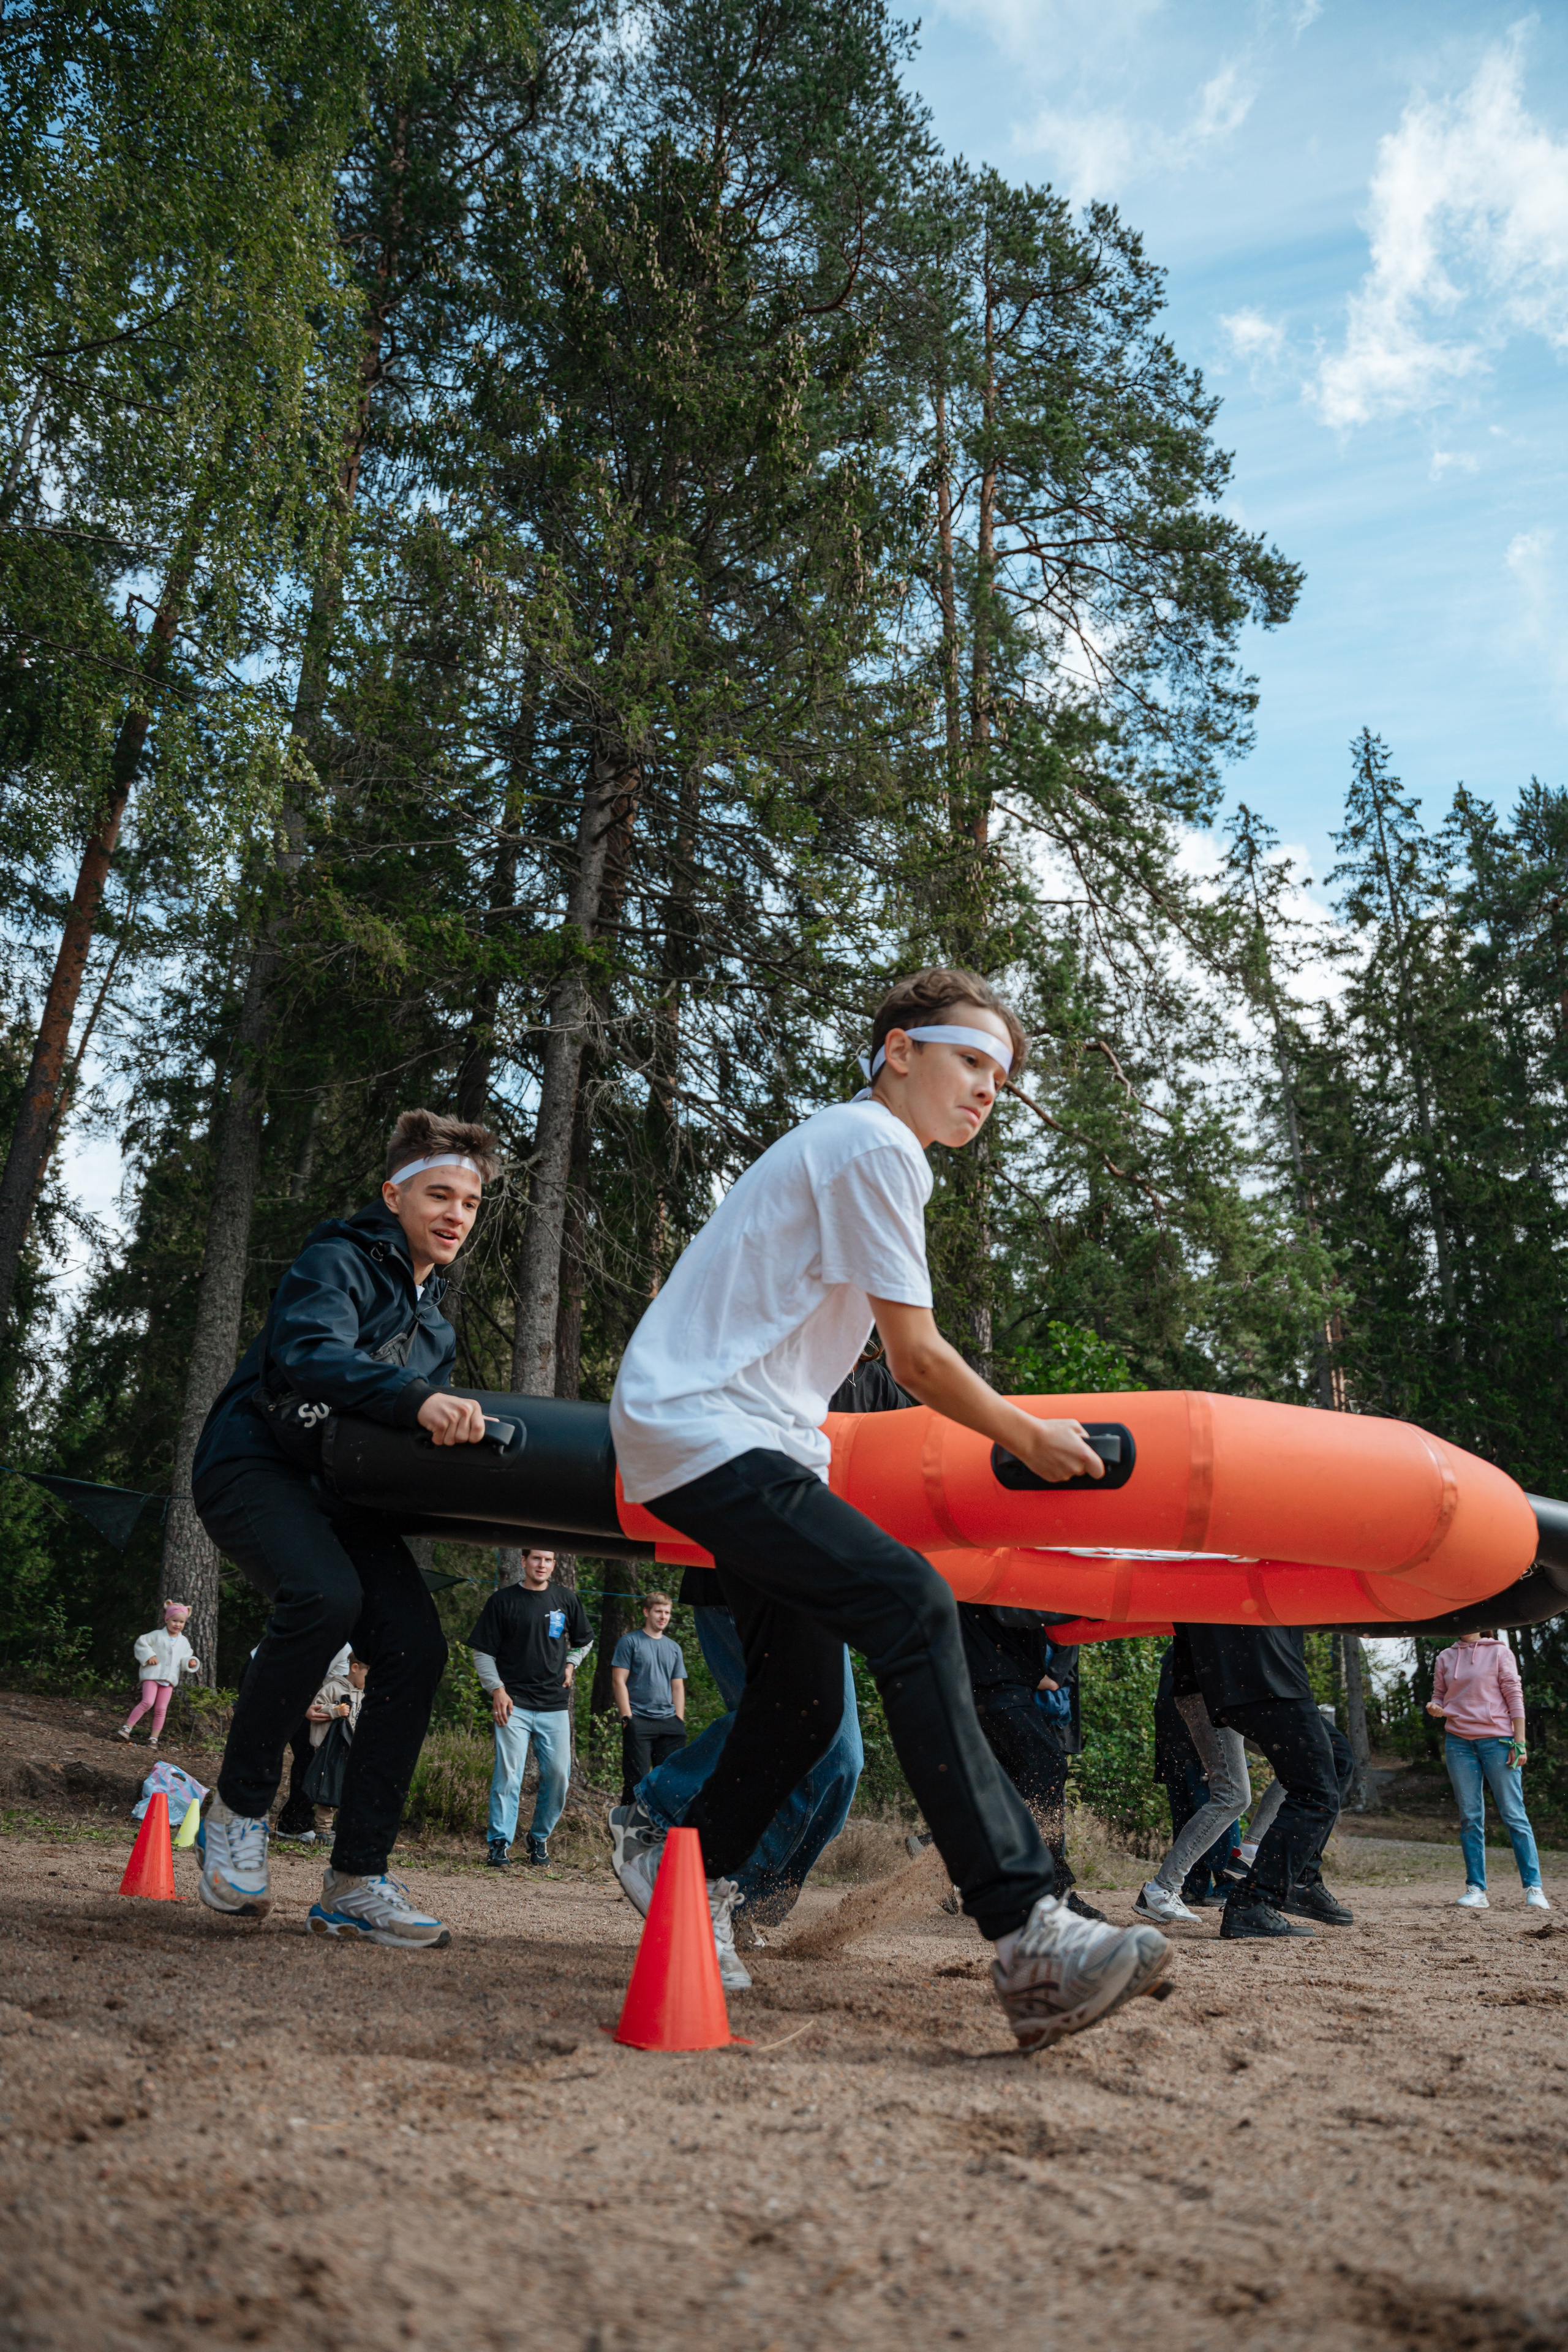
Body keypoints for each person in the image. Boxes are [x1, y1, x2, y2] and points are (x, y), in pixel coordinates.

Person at [607, 966, 1169, 2048]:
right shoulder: (875, 1144)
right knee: (913, 1606)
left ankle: (678, 1861)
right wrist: (1028, 1437)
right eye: (972, 1059)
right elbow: (916, 1358)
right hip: (707, 1427)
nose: (989, 1088)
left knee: (803, 1704)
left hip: (746, 1435)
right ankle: (1028, 1934)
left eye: (1002, 1076)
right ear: (899, 1052)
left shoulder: (857, 1150)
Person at [187, 1107, 500, 1948]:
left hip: (341, 1493)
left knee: (416, 1647)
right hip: (255, 1465)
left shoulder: (435, 1327)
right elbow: (311, 1352)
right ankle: (238, 1810)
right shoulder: (337, 1260)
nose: (456, 1215)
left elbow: (400, 1448)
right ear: (394, 1195)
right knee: (324, 1598)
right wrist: (414, 1398)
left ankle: (357, 1878)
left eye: (470, 1204)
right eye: (439, 1195)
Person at [608, 1358, 903, 1966]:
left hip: (819, 1587)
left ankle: (743, 1897)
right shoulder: (776, 1351)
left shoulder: (878, 1384)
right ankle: (655, 1812)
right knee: (792, 1725)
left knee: (840, 1760)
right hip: (738, 1578)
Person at [1178, 1624, 1351, 1940]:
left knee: (1337, 1760)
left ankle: (1299, 1878)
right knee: (1315, 1790)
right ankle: (1253, 1900)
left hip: (1267, 1673)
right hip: (1262, 1675)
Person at [957, 1604, 1106, 1921]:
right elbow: (1011, 1610)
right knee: (1047, 1765)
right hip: (997, 1684)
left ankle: (947, 1852)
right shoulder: (999, 1580)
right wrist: (1086, 1607)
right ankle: (1050, 1890)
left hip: (992, 1684)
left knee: (1012, 1788)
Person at [467, 1548, 594, 1868]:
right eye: (536, 1558)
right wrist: (497, 1690)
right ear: (523, 1561)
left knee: (559, 1776)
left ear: (555, 1564)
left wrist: (571, 1664)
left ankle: (538, 1838)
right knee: (508, 1776)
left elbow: (585, 1640)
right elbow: (482, 1652)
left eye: (548, 1560)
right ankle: (499, 1844)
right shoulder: (502, 1601)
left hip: (554, 1705)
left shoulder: (566, 1599)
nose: (542, 1564)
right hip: (513, 1704)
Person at [1427, 1629, 1548, 1912]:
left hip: (1498, 1741)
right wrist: (1435, 1707)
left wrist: (1520, 1743)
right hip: (1459, 1743)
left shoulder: (1499, 1652)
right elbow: (1439, 1696)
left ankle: (1534, 1887)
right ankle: (1476, 1889)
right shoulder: (1445, 1657)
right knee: (1470, 1817)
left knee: (1514, 1814)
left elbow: (1514, 1697)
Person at [1136, 1638, 1252, 1926]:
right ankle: (1195, 1888)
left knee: (1221, 1809)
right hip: (1178, 1751)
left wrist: (1209, 1757)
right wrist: (1164, 1759)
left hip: (1203, 1750)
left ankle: (1228, 1886)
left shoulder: (1211, 1644)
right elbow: (1166, 1709)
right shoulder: (1179, 1652)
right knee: (1191, 1818)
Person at [274, 1642, 352, 1846]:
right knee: (281, 1753)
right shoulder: (332, 1641)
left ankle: (295, 1822)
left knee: (311, 1756)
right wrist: (303, 1706)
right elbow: (298, 1672)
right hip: (275, 1686)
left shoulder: (347, 1648)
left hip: (297, 1694)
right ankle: (255, 1819)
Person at [611, 1594, 687, 1803]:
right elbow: (618, 1681)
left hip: (670, 1723)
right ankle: (628, 1822)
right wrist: (627, 1718)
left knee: (670, 1782)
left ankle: (659, 1823)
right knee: (636, 1781)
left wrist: (679, 1720)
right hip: (639, 1720)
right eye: (659, 1611)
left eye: (667, 1612)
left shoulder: (674, 1648)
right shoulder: (629, 1642)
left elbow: (677, 1686)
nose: (663, 1617)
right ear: (647, 1612)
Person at [115, 1600, 200, 1747]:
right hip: (153, 1675)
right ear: (167, 1619)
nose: (177, 1625)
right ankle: (127, 1727)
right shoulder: (156, 1635)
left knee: (161, 1709)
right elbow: (142, 1643)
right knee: (147, 1702)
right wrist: (149, 1655)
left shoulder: (184, 1642)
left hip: (169, 1680)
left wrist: (190, 1662)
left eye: (181, 1622)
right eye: (174, 1620)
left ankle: (154, 1738)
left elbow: (186, 1657)